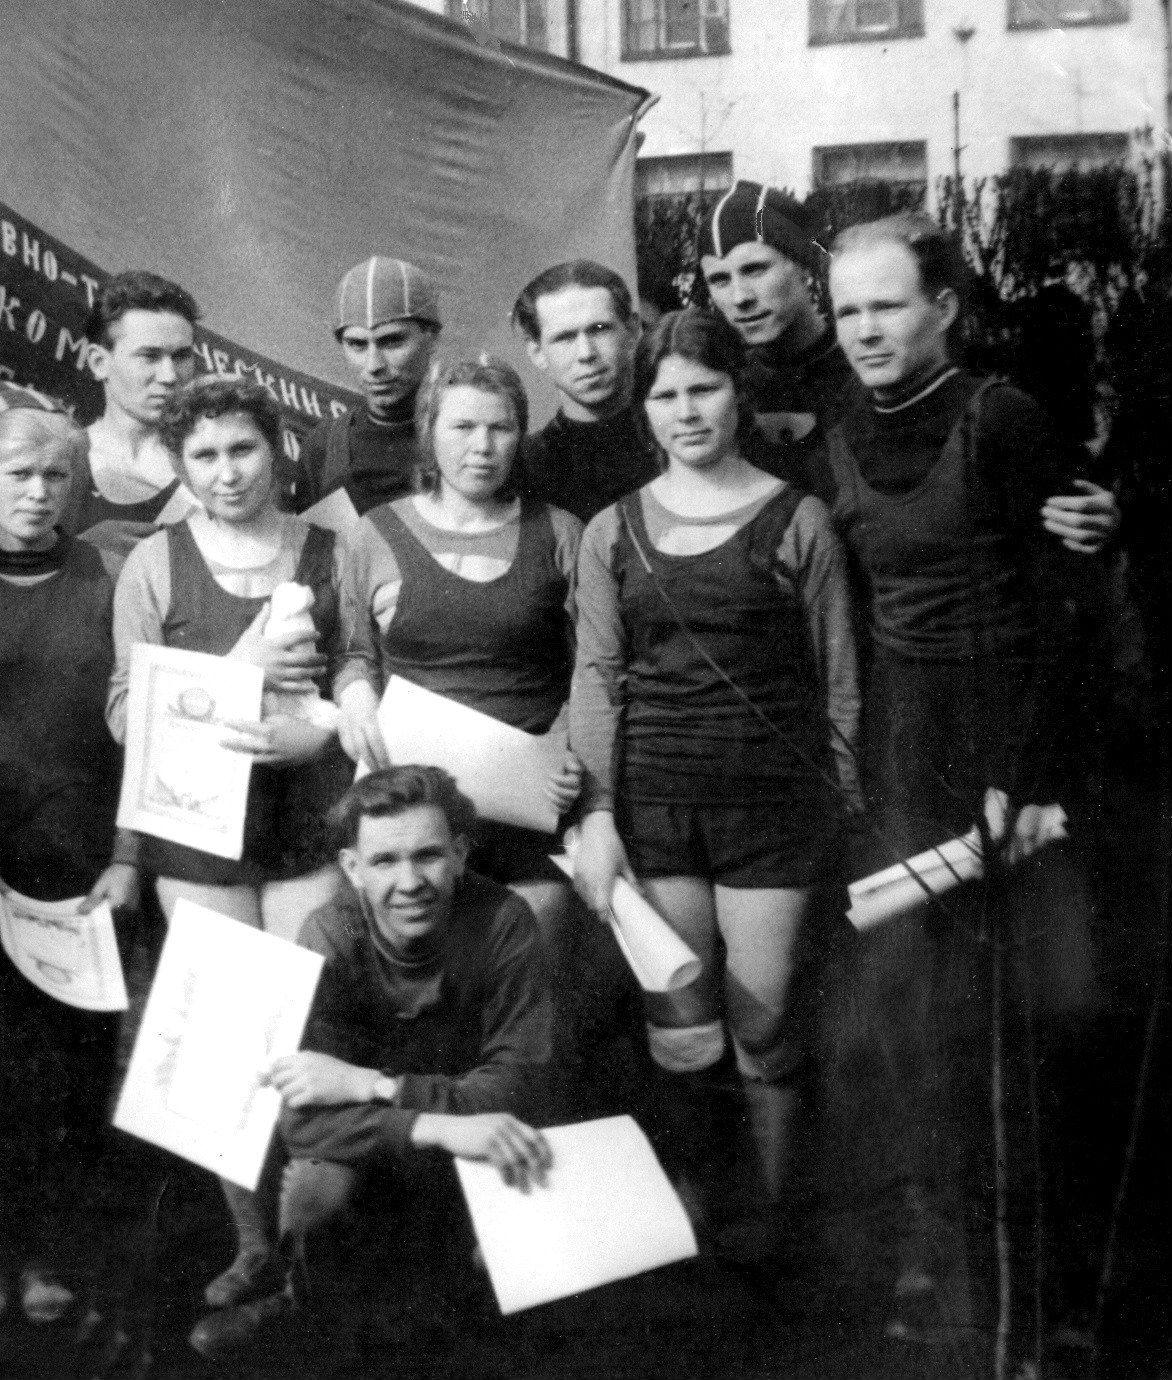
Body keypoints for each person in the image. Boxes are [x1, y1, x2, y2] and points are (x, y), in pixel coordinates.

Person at [821, 213, 1093, 1343]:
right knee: (911, 1019)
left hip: (1003, 750)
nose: (865, 328)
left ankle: (1044, 1301)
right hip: (902, 748)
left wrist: (1021, 778)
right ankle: (943, 1273)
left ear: (942, 308)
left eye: (886, 304)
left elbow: (1066, 607)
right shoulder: (838, 430)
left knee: (1027, 1022)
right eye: (847, 309)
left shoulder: (1003, 419)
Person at [569, 308, 860, 1248]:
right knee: (683, 1026)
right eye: (666, 395)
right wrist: (600, 816)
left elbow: (839, 678)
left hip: (773, 810)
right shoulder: (612, 531)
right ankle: (698, 1208)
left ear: (740, 394)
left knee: (763, 1027)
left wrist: (844, 807)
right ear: (644, 410)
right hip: (655, 808)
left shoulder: (798, 518)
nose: (687, 411)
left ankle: (772, 1225)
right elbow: (596, 679)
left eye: (706, 388)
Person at [108, 373, 355, 1315]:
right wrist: (239, 671)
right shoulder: (155, 562)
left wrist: (320, 733)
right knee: (222, 1039)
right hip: (200, 832)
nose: (226, 472)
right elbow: (126, 712)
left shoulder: (332, 548)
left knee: (307, 1034)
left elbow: (367, 670)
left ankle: (312, 1249)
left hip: (309, 824)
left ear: (277, 450)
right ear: (180, 465)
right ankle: (252, 1247)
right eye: (203, 455)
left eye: (242, 448)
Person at [188, 765, 556, 1361]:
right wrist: (433, 1123)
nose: (410, 882)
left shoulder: (504, 921)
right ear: (353, 868)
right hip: (401, 1138)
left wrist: (371, 1084)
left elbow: (514, 1087)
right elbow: (304, 1121)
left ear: (460, 854)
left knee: (489, 1311)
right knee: (313, 1189)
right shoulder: (329, 935)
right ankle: (298, 1299)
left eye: (428, 855)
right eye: (385, 861)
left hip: (478, 1140)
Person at [0, 382, 138, 1330]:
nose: (38, 491)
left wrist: (126, 851)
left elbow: (141, 721)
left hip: (81, 859)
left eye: (57, 474)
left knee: (77, 1062)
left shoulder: (107, 575)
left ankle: (55, 1251)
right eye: (18, 472)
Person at [699, 180, 1118, 551]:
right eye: (719, 280)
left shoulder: (892, 361)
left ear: (804, 267)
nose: (740, 297)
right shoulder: (721, 386)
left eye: (755, 269)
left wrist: (1100, 515)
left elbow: (1039, 487)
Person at [334, 355, 583, 951]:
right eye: (463, 427)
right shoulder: (375, 532)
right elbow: (353, 651)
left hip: (529, 799)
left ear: (520, 436)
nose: (482, 446)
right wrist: (355, 693)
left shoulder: (560, 531)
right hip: (413, 807)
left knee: (529, 955)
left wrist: (569, 744)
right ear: (429, 433)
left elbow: (594, 666)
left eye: (500, 428)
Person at [289, 256, 443, 517]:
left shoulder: (474, 436)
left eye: (392, 341)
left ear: (432, 339)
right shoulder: (323, 447)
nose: (374, 365)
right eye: (357, 345)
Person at [68, 270, 203, 557]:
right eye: (149, 357)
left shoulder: (210, 471)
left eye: (181, 356)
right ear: (99, 362)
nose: (169, 376)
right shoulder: (60, 457)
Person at [513, 259, 660, 523]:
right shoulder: (524, 466)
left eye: (599, 329)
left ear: (632, 331)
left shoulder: (676, 436)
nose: (586, 353)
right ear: (537, 353)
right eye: (564, 338)